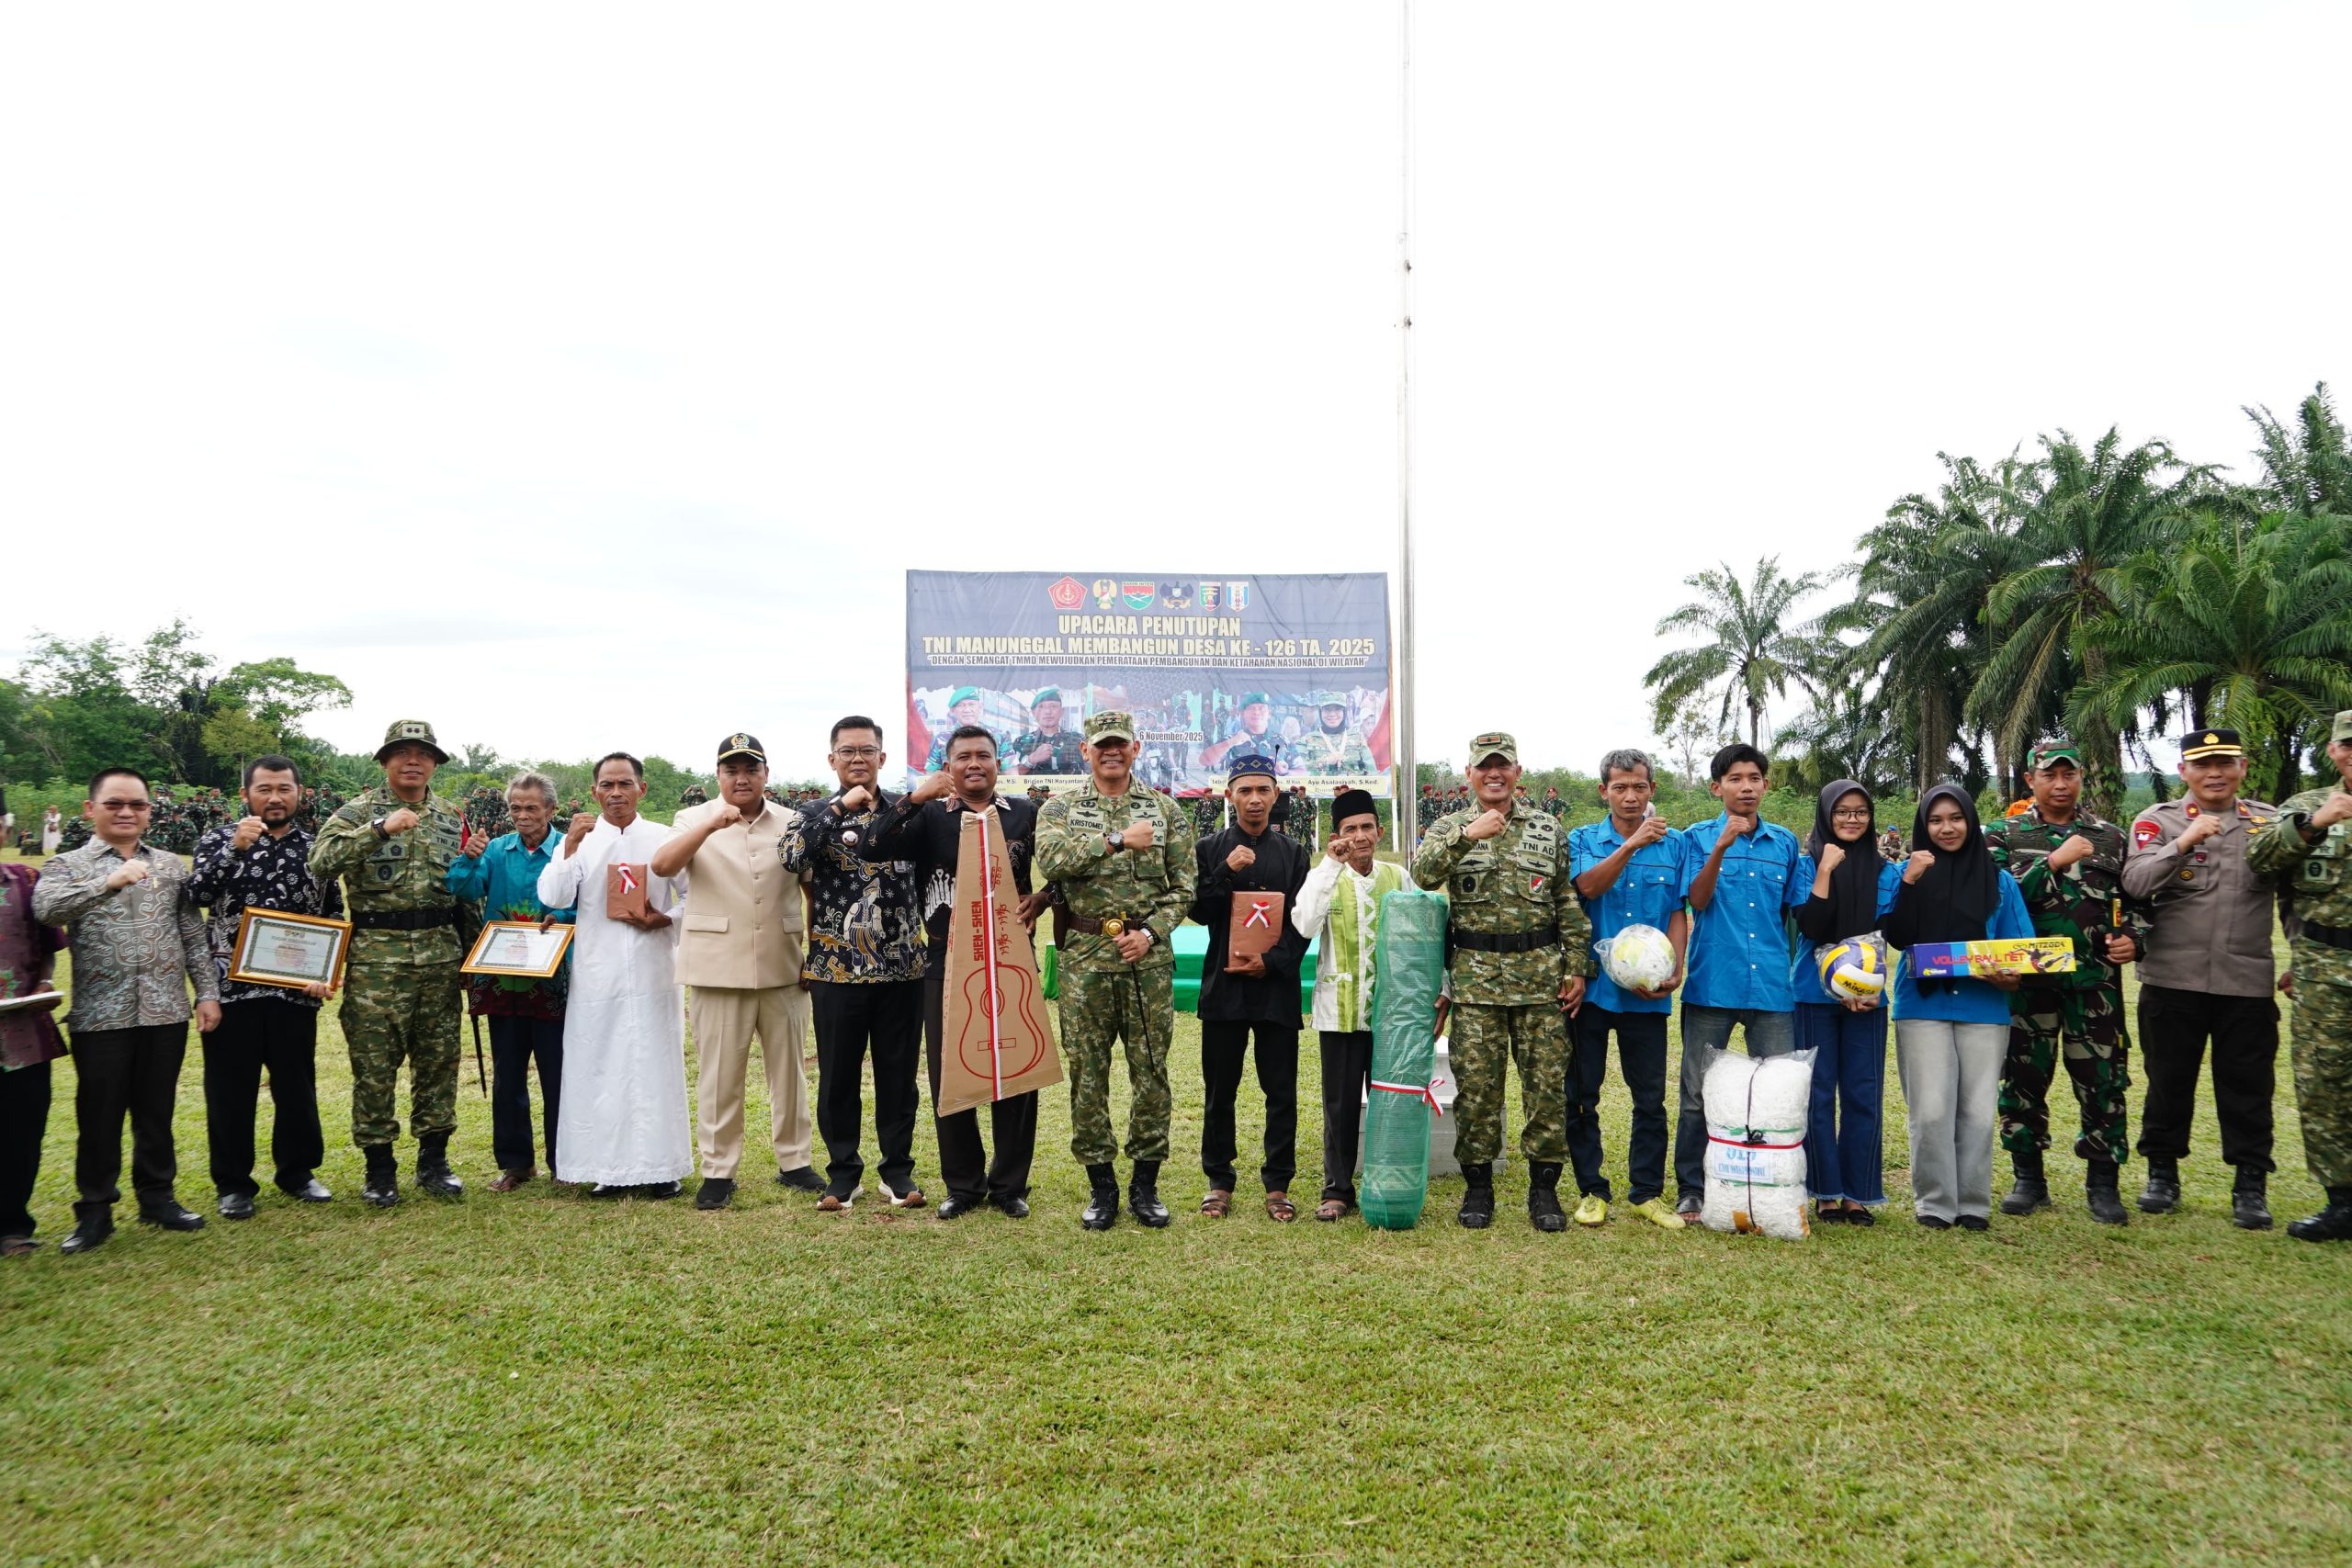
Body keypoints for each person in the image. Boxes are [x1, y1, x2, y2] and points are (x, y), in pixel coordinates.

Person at [861, 725, 1050, 1218]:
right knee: (952, 1069)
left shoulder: (1025, 814)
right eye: (963, 757)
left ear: (997, 764)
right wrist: (913, 798)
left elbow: (1068, 872)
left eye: (983, 755)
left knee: (1018, 1065)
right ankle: (963, 1185)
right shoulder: (928, 816)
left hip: (1011, 956)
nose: (974, 764)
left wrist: (1045, 896)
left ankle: (1010, 1185)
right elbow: (871, 847)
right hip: (946, 958)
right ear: (948, 767)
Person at [33, 767, 220, 1253]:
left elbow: (191, 934)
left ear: (149, 812)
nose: (126, 812)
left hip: (164, 1010)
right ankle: (95, 1210)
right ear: (90, 809)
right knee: (99, 1115)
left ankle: (157, 1198)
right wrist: (107, 883)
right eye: (114, 803)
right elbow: (47, 910)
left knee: (156, 1111)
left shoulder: (170, 866)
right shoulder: (67, 865)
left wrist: (206, 992)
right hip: (101, 1015)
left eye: (137, 804)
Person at [1410, 731, 1591, 1232]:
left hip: (1541, 981)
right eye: (1484, 766)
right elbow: (1421, 877)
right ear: (1469, 774)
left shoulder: (1547, 828)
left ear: (1517, 772)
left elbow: (1565, 901)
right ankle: (1478, 1189)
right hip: (1476, 984)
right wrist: (1468, 835)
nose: (1494, 773)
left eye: (1503, 765)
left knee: (1546, 1089)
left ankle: (1544, 1190)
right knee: (1477, 1092)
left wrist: (1577, 966)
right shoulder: (1450, 826)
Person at [1035, 710, 1199, 1229]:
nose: (1112, 752)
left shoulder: (1165, 810)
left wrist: (1149, 933)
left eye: (1120, 744)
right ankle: (1101, 1186)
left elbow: (1185, 886)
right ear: (1086, 751)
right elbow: (1051, 862)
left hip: (1146, 961)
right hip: (1085, 960)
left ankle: (1145, 1184)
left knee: (1150, 1070)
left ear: (1135, 749)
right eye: (1102, 744)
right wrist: (1115, 840)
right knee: (1088, 1073)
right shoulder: (1060, 808)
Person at [650, 733, 822, 1211]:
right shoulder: (692, 818)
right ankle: (719, 1170)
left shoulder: (793, 821)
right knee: (719, 1076)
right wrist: (710, 825)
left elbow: (812, 891)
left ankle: (795, 1161)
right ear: (718, 776)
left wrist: (815, 953)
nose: (742, 778)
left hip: (784, 963)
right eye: (732, 770)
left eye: (751, 769)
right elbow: (663, 866)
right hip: (716, 966)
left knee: (789, 1072)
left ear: (767, 774)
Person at [1984, 741, 2151, 1225]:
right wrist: (2053, 861)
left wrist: (2134, 938)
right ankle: (2028, 1179)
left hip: (2094, 983)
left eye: (2069, 775)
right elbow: (1994, 899)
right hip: (2027, 983)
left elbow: (2137, 900)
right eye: (2049, 775)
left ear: (2080, 778)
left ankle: (2103, 1184)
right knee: (2022, 1080)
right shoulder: (2003, 834)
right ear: (2030, 781)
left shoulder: (2110, 837)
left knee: (2103, 1082)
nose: (2060, 784)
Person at [2122, 728, 2283, 1227]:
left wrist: (2300, 958)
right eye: (2203, 764)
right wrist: (2183, 843)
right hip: (2173, 979)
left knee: (2248, 1087)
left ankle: (2250, 1187)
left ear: (2242, 768)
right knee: (2168, 1082)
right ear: (2184, 771)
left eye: (2225, 763)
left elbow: (2295, 897)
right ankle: (2162, 1176)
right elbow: (2135, 882)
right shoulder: (2157, 821)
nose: (2215, 773)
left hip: (2246, 981)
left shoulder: (2269, 825)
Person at [309, 719, 469, 1207]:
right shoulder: (357, 812)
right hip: (377, 960)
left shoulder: (450, 817)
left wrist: (475, 956)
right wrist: (379, 830)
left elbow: (464, 889)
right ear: (384, 761)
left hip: (440, 956)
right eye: (401, 752)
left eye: (423, 753)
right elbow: (321, 861)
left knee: (439, 1061)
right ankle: (379, 1168)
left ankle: (434, 1161)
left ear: (435, 763)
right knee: (375, 1066)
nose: (412, 761)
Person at [186, 755, 341, 1219]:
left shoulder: (316, 849)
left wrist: (326, 972)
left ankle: (298, 1172)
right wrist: (235, 848)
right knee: (230, 1090)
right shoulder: (217, 840)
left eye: (284, 789)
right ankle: (233, 1183)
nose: (275, 798)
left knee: (296, 1085)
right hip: (230, 991)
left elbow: (331, 913)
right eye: (264, 789)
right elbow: (196, 895)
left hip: (295, 992)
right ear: (246, 794)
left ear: (300, 793)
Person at [783, 717, 927, 1212]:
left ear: (882, 758)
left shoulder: (911, 811)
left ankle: (897, 1171)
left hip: (902, 967)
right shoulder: (813, 812)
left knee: (898, 1076)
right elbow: (791, 857)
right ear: (832, 759)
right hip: (836, 969)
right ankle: (843, 1174)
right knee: (838, 1076)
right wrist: (840, 807)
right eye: (847, 751)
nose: (858, 759)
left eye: (867, 750)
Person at [537, 753, 689, 1198]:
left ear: (642, 788)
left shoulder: (664, 838)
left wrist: (665, 919)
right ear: (594, 792)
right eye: (607, 785)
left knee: (655, 1065)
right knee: (599, 1066)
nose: (616, 793)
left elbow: (693, 896)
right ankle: (607, 1168)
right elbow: (554, 896)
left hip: (653, 967)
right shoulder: (579, 840)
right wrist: (568, 847)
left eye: (625, 784)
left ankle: (662, 1168)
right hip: (598, 973)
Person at [1883, 784, 2032, 1230]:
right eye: (1935, 820)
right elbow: (1896, 936)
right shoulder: (1905, 873)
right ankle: (1935, 1202)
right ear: (1922, 827)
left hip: (1984, 1008)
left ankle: (1972, 1203)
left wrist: (2010, 975)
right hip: (1921, 1005)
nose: (1946, 828)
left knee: (1978, 1112)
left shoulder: (1999, 882)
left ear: (1970, 821)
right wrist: (1909, 881)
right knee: (1930, 1111)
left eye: (1955, 818)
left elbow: (2019, 949)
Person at [1672, 743, 1808, 1220]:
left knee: (1777, 1095)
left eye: (1754, 778)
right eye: (1735, 779)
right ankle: (1692, 1188)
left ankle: (1772, 1188)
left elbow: (1798, 911)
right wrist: (1721, 847)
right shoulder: (1696, 839)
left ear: (1765, 785)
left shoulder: (1785, 844)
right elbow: (1697, 900)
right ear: (1717, 788)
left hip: (1771, 987)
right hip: (1712, 984)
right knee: (1696, 1094)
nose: (1746, 787)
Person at [1566, 749, 1689, 1229]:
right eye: (1620, 787)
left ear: (1651, 789)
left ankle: (1646, 1193)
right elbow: (1588, 887)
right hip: (1593, 991)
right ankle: (1592, 1191)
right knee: (1582, 1095)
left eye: (1639, 787)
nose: (1630, 796)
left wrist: (1674, 969)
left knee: (1650, 1098)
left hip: (1647, 996)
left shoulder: (1675, 844)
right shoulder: (1583, 839)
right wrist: (1632, 843)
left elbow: (1677, 911)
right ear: (1604, 791)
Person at [1190, 754, 1311, 1221]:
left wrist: (1273, 962)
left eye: (1263, 790)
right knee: (1220, 1091)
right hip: (1224, 989)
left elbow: (1304, 921)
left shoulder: (1294, 853)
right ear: (1229, 796)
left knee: (1280, 1092)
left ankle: (1278, 1184)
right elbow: (1198, 911)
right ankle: (1219, 1182)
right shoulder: (1209, 849)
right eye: (1245, 790)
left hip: (1275, 988)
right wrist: (1225, 870)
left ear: (1276, 795)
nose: (1254, 799)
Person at [2248, 709, 2352, 1242]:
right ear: (2333, 751)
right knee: (2322, 1085)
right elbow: (2259, 859)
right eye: (2349, 745)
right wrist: (2316, 823)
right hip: (2323, 968)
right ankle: (2342, 1202)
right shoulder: (2307, 805)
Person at [445, 771, 572, 1193]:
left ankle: (564, 1161)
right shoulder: (496, 851)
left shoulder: (570, 849)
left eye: (531, 808)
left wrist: (562, 917)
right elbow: (462, 888)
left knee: (558, 1072)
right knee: (508, 1073)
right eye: (515, 808)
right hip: (503, 978)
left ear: (551, 810)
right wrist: (468, 858)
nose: (522, 815)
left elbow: (587, 903)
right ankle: (516, 1165)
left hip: (554, 977)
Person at [1293, 787, 1408, 1222]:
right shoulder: (1325, 876)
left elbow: (1424, 932)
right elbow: (1305, 925)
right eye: (1349, 829)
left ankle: (1384, 1181)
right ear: (1336, 835)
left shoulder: (1398, 877)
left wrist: (1440, 989)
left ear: (1380, 832)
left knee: (1388, 1104)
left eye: (1366, 827)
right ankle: (1338, 1189)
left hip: (1391, 1014)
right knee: (1339, 1106)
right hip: (1339, 1012)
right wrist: (1329, 864)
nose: (1359, 836)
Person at [1791, 780, 1902, 1225]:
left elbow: (1892, 933)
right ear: (1826, 815)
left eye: (1860, 812)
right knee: (1816, 1094)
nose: (1852, 819)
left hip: (1868, 997)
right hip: (1811, 994)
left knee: (1863, 1093)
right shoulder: (1806, 865)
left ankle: (1858, 1193)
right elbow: (1811, 926)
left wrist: (1863, 988)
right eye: (1842, 811)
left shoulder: (1885, 872)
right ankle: (1825, 1192)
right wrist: (1825, 871)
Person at [1, 854, 66, 1253]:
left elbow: (48, 946)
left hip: (21, 1034)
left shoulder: (26, 879)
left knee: (20, 1132)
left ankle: (11, 1226)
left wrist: (44, 983)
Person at [1009, 688, 1086, 775]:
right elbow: (1011, 777)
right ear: (1033, 713)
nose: (1048, 712)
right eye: (1041, 707)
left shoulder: (1078, 740)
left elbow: (1091, 771)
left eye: (1053, 706)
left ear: (1062, 711)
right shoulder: (1021, 743)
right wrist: (1031, 760)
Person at [1200, 692, 1281, 772]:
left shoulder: (1282, 741)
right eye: (1251, 708)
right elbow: (1205, 760)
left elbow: (1289, 769)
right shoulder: (1232, 739)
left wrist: (1283, 770)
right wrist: (1232, 742)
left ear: (1269, 713)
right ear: (1243, 714)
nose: (1256, 712)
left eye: (1261, 708)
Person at [925, 687, 1001, 772]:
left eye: (971, 704)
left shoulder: (998, 736)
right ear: (953, 710)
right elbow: (931, 774)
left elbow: (1009, 773)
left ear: (980, 707)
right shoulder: (942, 738)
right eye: (960, 705)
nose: (967, 710)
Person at [1300, 694, 1374, 779]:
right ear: (1320, 712)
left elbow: (1373, 774)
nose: (1332, 714)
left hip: (1353, 787)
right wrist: (1326, 762)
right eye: (1327, 709)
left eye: (1337, 709)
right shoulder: (1306, 741)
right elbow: (1299, 774)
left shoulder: (1358, 739)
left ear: (1344, 712)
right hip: (1320, 787)